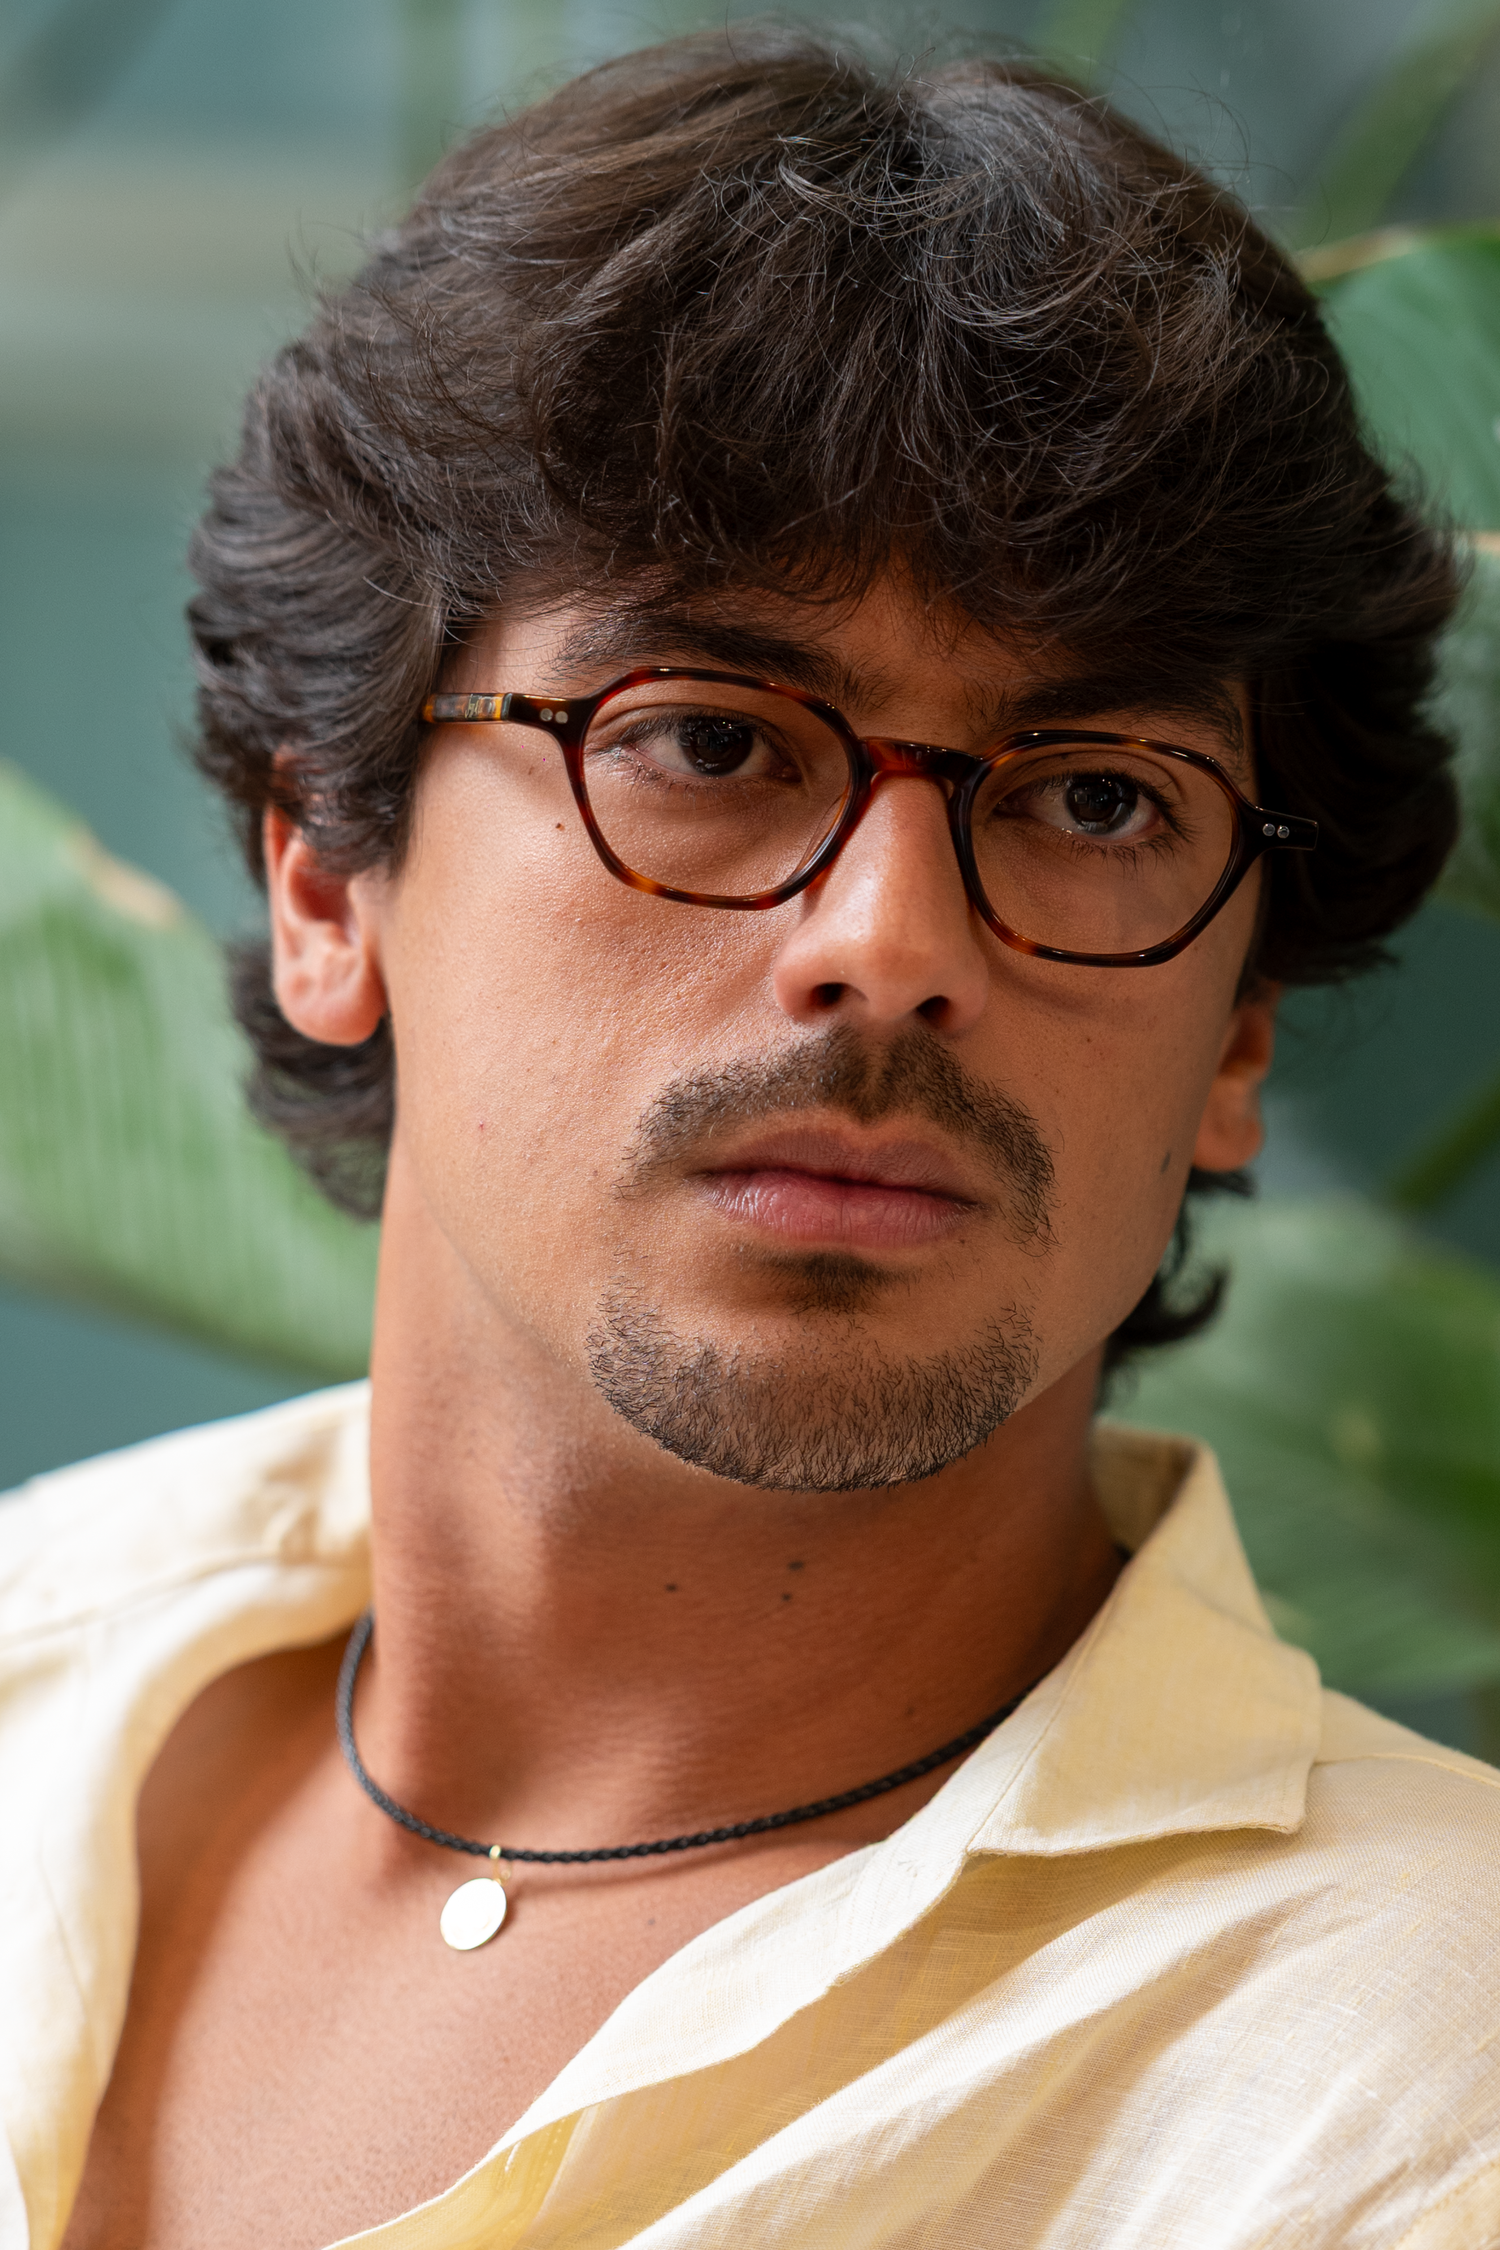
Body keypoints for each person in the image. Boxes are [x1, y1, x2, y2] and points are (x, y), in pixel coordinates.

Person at [5, 27, 1496, 2250]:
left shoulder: (1407, 2110)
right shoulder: (35, 1672)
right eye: (708, 739)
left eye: (1099, 799)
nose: (890, 946)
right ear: (326, 880)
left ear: (1237, 1033)